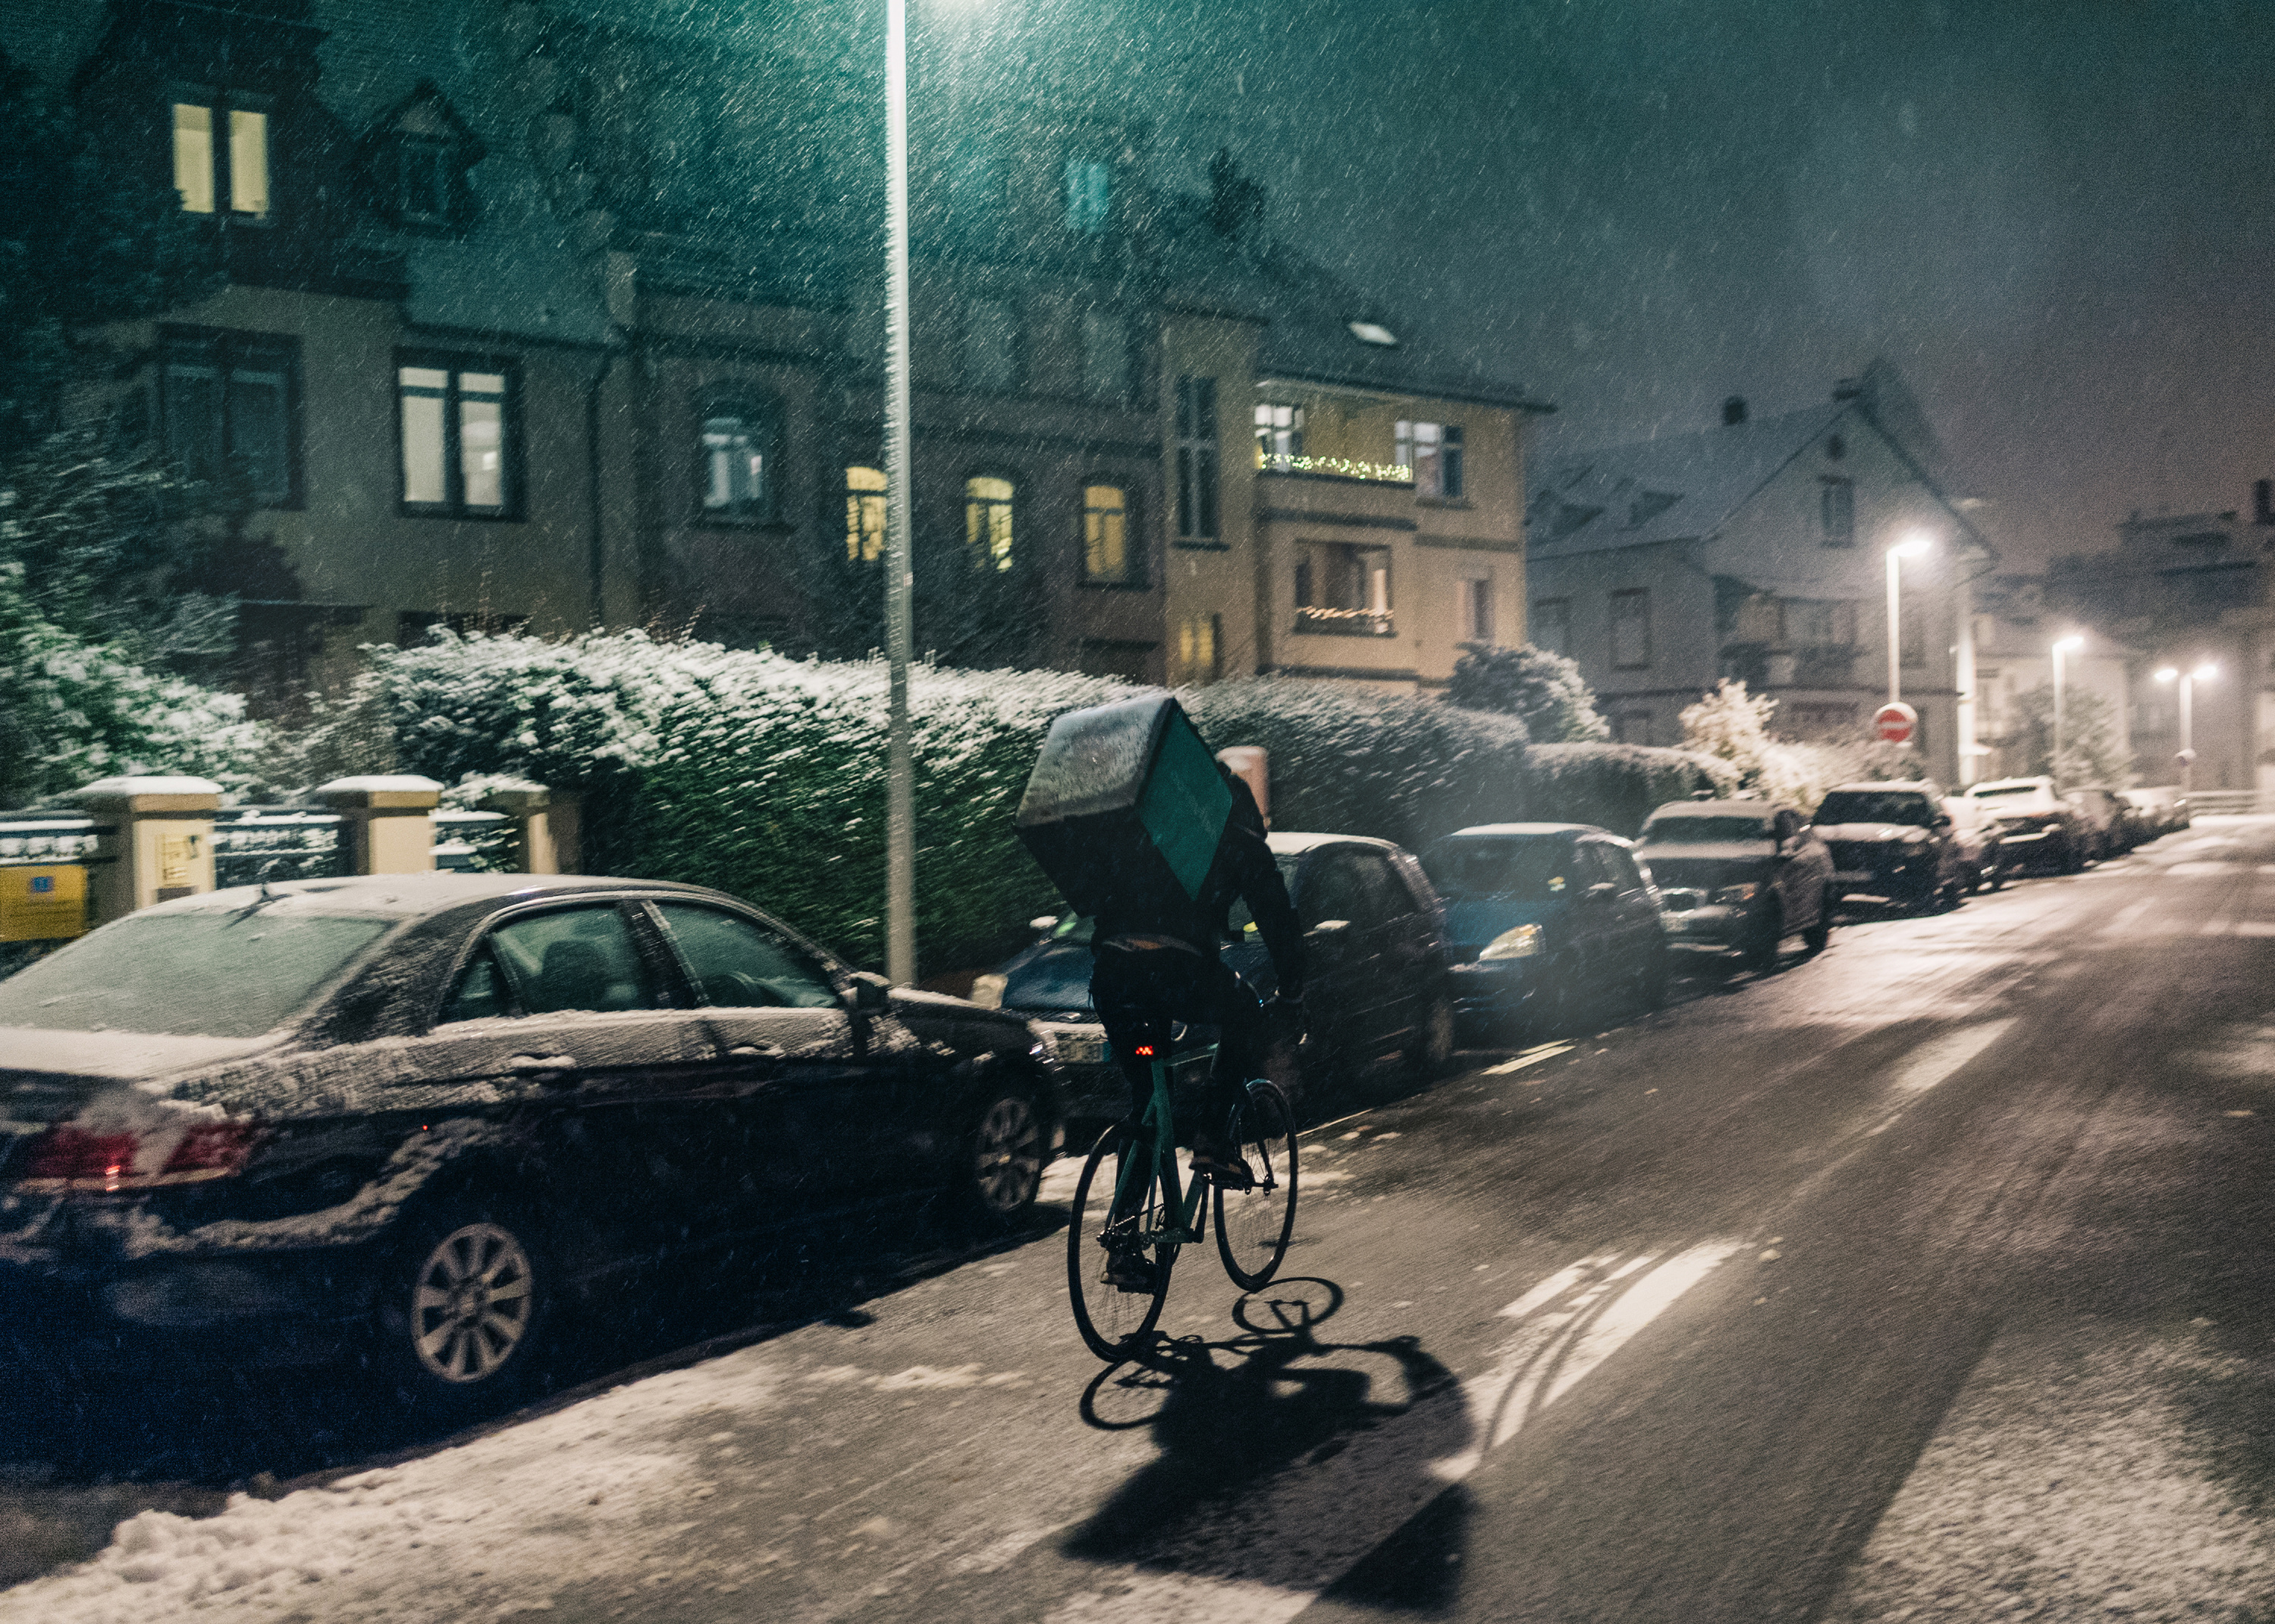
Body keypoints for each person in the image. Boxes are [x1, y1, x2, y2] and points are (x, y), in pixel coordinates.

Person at [1088, 763, 1306, 1212]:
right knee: (1246, 1010)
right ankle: (1212, 1141)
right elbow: (1279, 923)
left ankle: (1124, 1241)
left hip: (1112, 975)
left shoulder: (1153, 828)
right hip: (1174, 972)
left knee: (1148, 1100)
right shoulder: (1238, 838)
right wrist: (1293, 991)